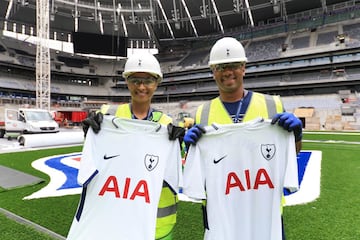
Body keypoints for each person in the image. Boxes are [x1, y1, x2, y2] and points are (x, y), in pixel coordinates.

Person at [183, 37, 303, 239]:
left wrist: (297, 135)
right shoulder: (202, 113)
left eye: (234, 65)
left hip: (264, 211)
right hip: (221, 213)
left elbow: (292, 153)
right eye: (221, 67)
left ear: (243, 68)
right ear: (213, 72)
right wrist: (189, 149)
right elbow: (197, 167)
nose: (228, 72)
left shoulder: (272, 105)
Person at [82, 52, 184, 240]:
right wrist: (88, 135)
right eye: (136, 80)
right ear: (127, 82)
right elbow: (93, 159)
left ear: (157, 83)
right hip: (117, 219)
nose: (142, 87)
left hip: (158, 225)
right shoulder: (108, 117)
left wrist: (180, 144)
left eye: (148, 81)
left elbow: (177, 169)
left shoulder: (167, 123)